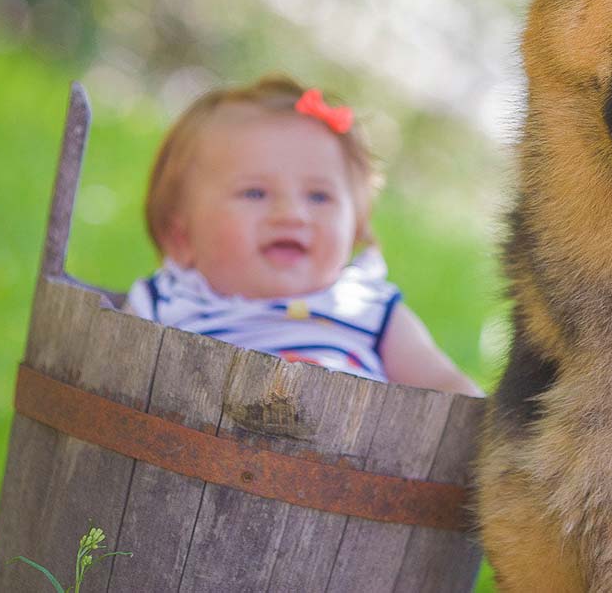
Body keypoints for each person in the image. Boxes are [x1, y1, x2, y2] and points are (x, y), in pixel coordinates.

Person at [124, 74, 482, 396]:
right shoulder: (165, 302)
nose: (292, 214)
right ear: (180, 237)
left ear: (355, 226)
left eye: (318, 196)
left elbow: (449, 392)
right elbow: (108, 370)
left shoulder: (371, 311)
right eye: (255, 193)